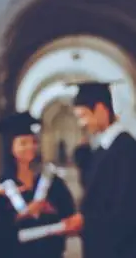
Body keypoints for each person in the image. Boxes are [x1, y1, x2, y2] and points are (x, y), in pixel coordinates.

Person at [59, 81, 136, 258]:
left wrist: (87, 221)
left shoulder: (126, 150)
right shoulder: (104, 148)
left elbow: (127, 211)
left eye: (83, 115)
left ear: (101, 109)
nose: (81, 123)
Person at [0, 111, 75, 258]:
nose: (30, 147)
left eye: (33, 142)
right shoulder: (0, 188)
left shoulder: (52, 181)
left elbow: (69, 215)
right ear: (11, 147)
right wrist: (21, 216)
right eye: (23, 143)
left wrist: (52, 210)